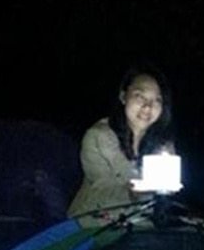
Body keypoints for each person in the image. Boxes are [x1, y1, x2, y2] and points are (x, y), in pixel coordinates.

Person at [67, 64, 175, 223]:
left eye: (157, 100)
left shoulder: (162, 146)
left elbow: (165, 194)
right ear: (123, 96)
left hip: (141, 223)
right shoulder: (98, 136)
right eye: (140, 96)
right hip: (94, 223)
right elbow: (103, 191)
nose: (148, 106)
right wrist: (136, 192)